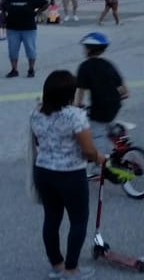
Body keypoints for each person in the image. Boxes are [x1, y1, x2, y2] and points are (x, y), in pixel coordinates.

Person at [30, 70, 104, 279]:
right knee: (78, 220)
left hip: (43, 171)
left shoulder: (36, 112)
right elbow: (88, 150)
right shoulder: (75, 115)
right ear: (69, 94)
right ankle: (71, 269)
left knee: (51, 219)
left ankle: (57, 265)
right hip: (70, 174)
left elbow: (37, 141)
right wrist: (99, 157)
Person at [74, 32, 129, 159]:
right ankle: (117, 134)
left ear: (89, 49)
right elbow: (125, 91)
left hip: (99, 108)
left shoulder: (84, 67)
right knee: (107, 120)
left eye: (85, 47)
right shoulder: (108, 65)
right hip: (115, 105)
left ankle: (102, 163)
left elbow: (80, 91)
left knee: (96, 134)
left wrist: (76, 107)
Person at [2, 0, 48, 78]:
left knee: (30, 50)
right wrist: (4, 19)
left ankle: (31, 69)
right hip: (12, 29)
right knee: (13, 50)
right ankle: (14, 70)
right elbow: (3, 8)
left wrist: (38, 12)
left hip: (29, 28)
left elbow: (46, 3)